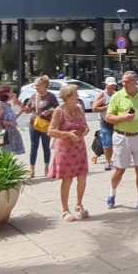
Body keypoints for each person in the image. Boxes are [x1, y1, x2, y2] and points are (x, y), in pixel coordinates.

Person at [105, 71, 138, 213]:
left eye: (127, 81)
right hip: (122, 136)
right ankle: (112, 194)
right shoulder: (117, 96)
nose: (123, 84)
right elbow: (108, 117)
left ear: (135, 82)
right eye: (123, 81)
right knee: (120, 170)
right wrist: (123, 118)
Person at [47, 85, 91, 222]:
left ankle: (79, 204)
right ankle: (65, 210)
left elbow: (86, 126)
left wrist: (84, 132)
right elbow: (50, 131)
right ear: (67, 97)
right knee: (67, 179)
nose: (77, 96)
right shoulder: (59, 111)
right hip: (65, 150)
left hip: (79, 148)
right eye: (75, 94)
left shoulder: (79, 109)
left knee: (82, 177)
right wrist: (67, 134)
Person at [23, 76, 58, 178]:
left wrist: (50, 111)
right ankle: (32, 169)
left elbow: (58, 108)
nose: (36, 87)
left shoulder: (51, 96)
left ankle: (46, 168)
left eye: (38, 85)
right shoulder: (34, 96)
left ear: (45, 85)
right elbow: (28, 110)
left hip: (45, 125)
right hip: (34, 124)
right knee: (34, 146)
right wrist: (23, 107)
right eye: (35, 85)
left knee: (46, 147)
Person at [0, 86, 24, 155]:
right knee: (1, 155)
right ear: (6, 93)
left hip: (9, 135)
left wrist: (21, 111)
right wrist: (9, 123)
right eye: (11, 92)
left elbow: (11, 119)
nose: (13, 94)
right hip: (0, 134)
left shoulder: (6, 104)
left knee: (8, 155)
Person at [93, 77, 118, 170]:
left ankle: (117, 159)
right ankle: (108, 162)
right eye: (110, 85)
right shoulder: (102, 95)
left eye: (113, 85)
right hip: (105, 122)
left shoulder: (117, 94)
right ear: (106, 85)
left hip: (116, 121)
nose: (112, 87)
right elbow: (94, 108)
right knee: (107, 142)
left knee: (118, 141)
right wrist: (107, 107)